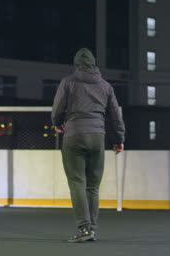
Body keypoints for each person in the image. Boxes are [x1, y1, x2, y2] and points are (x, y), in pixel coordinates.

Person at [52, 48, 125, 243]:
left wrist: (57, 123)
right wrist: (118, 139)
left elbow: (58, 108)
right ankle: (92, 228)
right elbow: (116, 116)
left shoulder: (68, 82)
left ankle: (84, 228)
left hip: (74, 135)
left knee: (77, 183)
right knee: (93, 186)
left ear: (76, 64)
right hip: (97, 137)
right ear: (94, 64)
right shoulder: (106, 86)